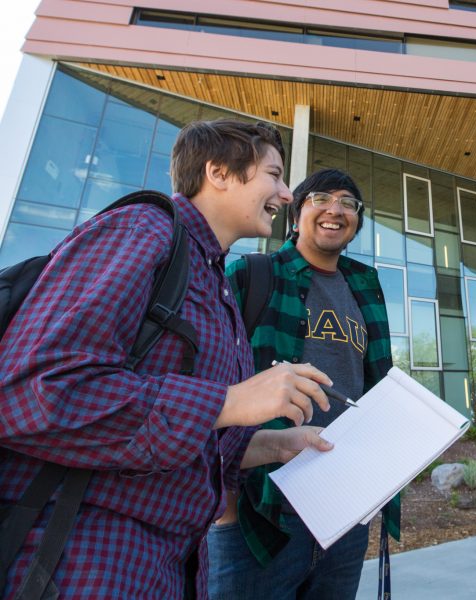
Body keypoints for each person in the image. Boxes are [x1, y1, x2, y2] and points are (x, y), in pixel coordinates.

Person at [0, 119, 335, 599]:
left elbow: (191, 438)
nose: (285, 194)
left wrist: (271, 446)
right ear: (218, 172)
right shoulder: (141, 230)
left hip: (170, 567)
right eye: (274, 175)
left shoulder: (215, 281)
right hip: (81, 562)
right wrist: (227, 401)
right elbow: (34, 390)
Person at [210, 168, 396, 599]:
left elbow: (375, 386)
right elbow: (206, 380)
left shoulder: (364, 287)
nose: (336, 210)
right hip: (262, 508)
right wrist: (227, 504)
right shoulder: (252, 274)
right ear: (297, 212)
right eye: (322, 198)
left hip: (344, 510)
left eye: (348, 203)